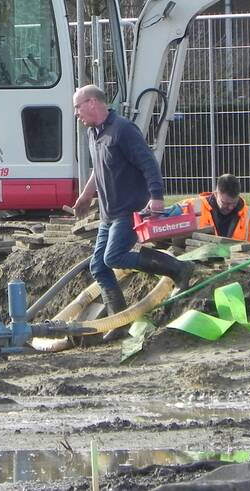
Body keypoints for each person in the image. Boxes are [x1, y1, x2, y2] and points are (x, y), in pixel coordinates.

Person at [69, 84, 192, 337]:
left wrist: (157, 197)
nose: (76, 113)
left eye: (77, 107)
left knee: (113, 257)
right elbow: (99, 169)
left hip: (130, 210)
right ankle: (119, 322)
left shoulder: (123, 130)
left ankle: (178, 269)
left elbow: (149, 163)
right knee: (98, 267)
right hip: (108, 213)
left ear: (92, 103)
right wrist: (85, 195)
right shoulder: (94, 133)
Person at [173, 173, 250, 242]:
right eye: (226, 203)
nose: (230, 207)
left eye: (234, 203)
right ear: (216, 194)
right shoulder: (191, 206)